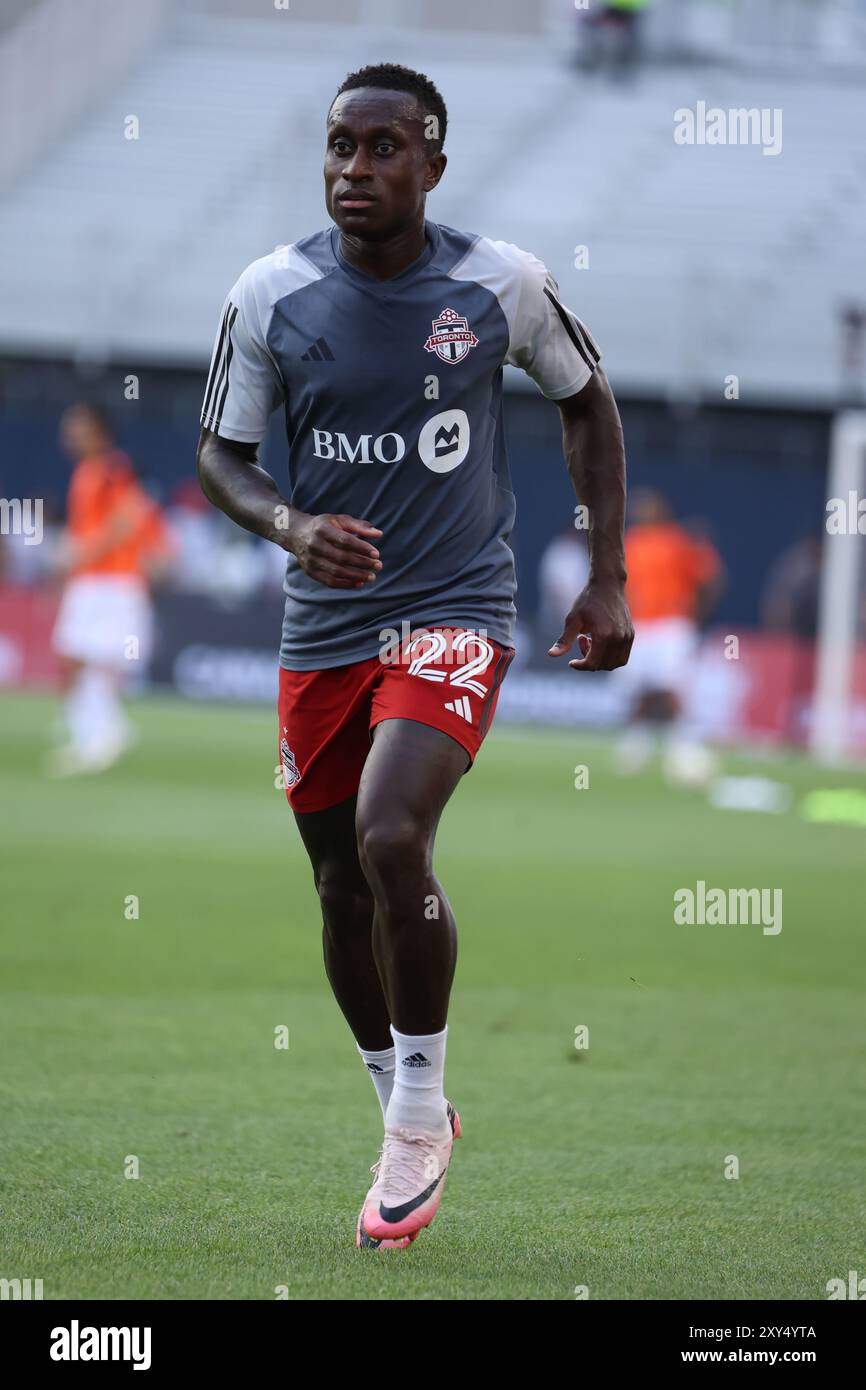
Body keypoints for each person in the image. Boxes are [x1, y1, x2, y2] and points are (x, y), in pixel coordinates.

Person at [196, 63, 633, 1250]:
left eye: (385, 148)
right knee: (339, 886)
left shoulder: (501, 284)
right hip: (322, 630)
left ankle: (415, 1119)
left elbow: (586, 402)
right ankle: (403, 1097)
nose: (355, 168)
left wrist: (604, 573)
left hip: (455, 607)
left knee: (395, 836)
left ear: (432, 165)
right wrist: (293, 525)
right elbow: (220, 460)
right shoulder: (270, 292)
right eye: (340, 145)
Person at [50, 403, 171, 775]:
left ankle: (102, 733)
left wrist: (84, 550)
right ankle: (97, 728)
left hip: (114, 580)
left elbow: (130, 515)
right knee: (72, 654)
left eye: (78, 426)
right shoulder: (85, 472)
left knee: (99, 657)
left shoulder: (113, 469)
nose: (69, 433)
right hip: (90, 580)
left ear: (100, 430)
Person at [616, 488, 721, 784]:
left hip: (672, 626)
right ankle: (635, 745)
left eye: (649, 508)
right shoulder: (632, 541)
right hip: (638, 625)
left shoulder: (679, 541)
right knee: (635, 688)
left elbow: (709, 579)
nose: (643, 513)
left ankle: (683, 747)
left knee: (674, 688)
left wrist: (694, 615)